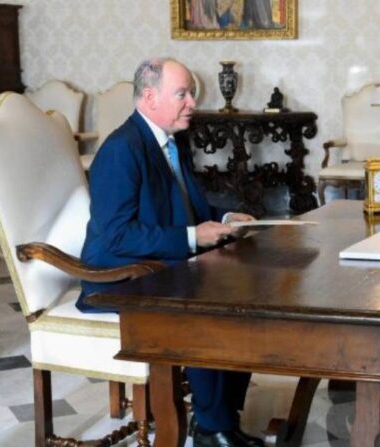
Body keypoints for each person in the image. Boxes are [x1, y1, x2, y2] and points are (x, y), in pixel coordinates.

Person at [77, 57, 263, 447]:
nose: (192, 103)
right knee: (204, 303)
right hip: (118, 277)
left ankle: (221, 420)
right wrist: (194, 237)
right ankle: (212, 429)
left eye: (191, 94)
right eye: (182, 94)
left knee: (244, 291)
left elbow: (186, 209)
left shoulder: (171, 139)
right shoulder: (120, 150)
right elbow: (116, 237)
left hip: (160, 263)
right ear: (149, 97)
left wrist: (226, 217)